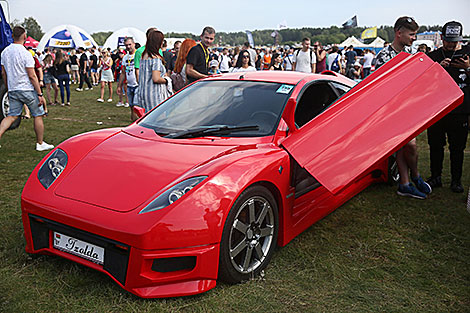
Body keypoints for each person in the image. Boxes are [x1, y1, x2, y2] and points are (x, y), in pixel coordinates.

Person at [375, 16, 431, 199]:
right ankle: (414, 177)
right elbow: (377, 87)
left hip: (409, 108)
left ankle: (405, 183)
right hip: (392, 110)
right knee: (410, 145)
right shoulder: (383, 56)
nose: (414, 38)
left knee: (404, 147)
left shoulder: (412, 55)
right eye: (411, 34)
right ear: (399, 33)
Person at [426, 21, 470, 193]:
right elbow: (423, 82)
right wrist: (437, 69)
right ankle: (435, 176)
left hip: (460, 109)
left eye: (455, 40)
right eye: (448, 40)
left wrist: (468, 68)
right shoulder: (434, 55)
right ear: (442, 38)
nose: (451, 44)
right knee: (435, 145)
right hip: (437, 109)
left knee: (457, 147)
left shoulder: (467, 54)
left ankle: (456, 180)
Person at [0, 26, 53, 151]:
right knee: (38, 115)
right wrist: (40, 94)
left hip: (13, 89)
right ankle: (40, 143)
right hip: (26, 89)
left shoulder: (4, 52)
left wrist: (8, 88)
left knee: (11, 116)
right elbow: (32, 75)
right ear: (25, 37)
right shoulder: (26, 53)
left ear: (12, 36)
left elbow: (4, 73)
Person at [138, 30, 171, 113]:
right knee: (157, 119)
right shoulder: (155, 59)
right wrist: (167, 80)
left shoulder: (144, 57)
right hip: (155, 95)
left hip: (144, 92)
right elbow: (156, 78)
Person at [118, 37, 139, 120]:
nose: (128, 47)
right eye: (126, 45)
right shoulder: (125, 57)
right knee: (131, 105)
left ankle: (137, 121)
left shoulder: (138, 55)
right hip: (129, 84)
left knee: (136, 105)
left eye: (130, 44)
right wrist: (119, 85)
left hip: (138, 84)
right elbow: (123, 72)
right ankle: (133, 120)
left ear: (134, 44)